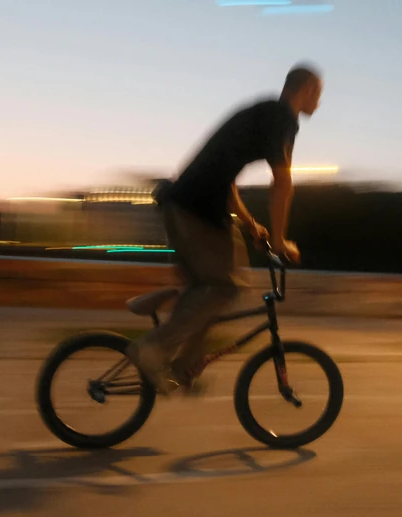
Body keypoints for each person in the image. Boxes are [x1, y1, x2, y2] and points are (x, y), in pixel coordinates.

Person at [128, 64, 323, 394]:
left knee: (212, 289)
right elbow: (283, 183)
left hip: (191, 206)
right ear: (306, 90)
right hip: (196, 210)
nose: (319, 102)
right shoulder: (282, 119)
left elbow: (227, 180)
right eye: (318, 94)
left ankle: (183, 370)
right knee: (226, 288)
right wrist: (279, 242)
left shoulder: (263, 113)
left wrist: (251, 225)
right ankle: (152, 349)